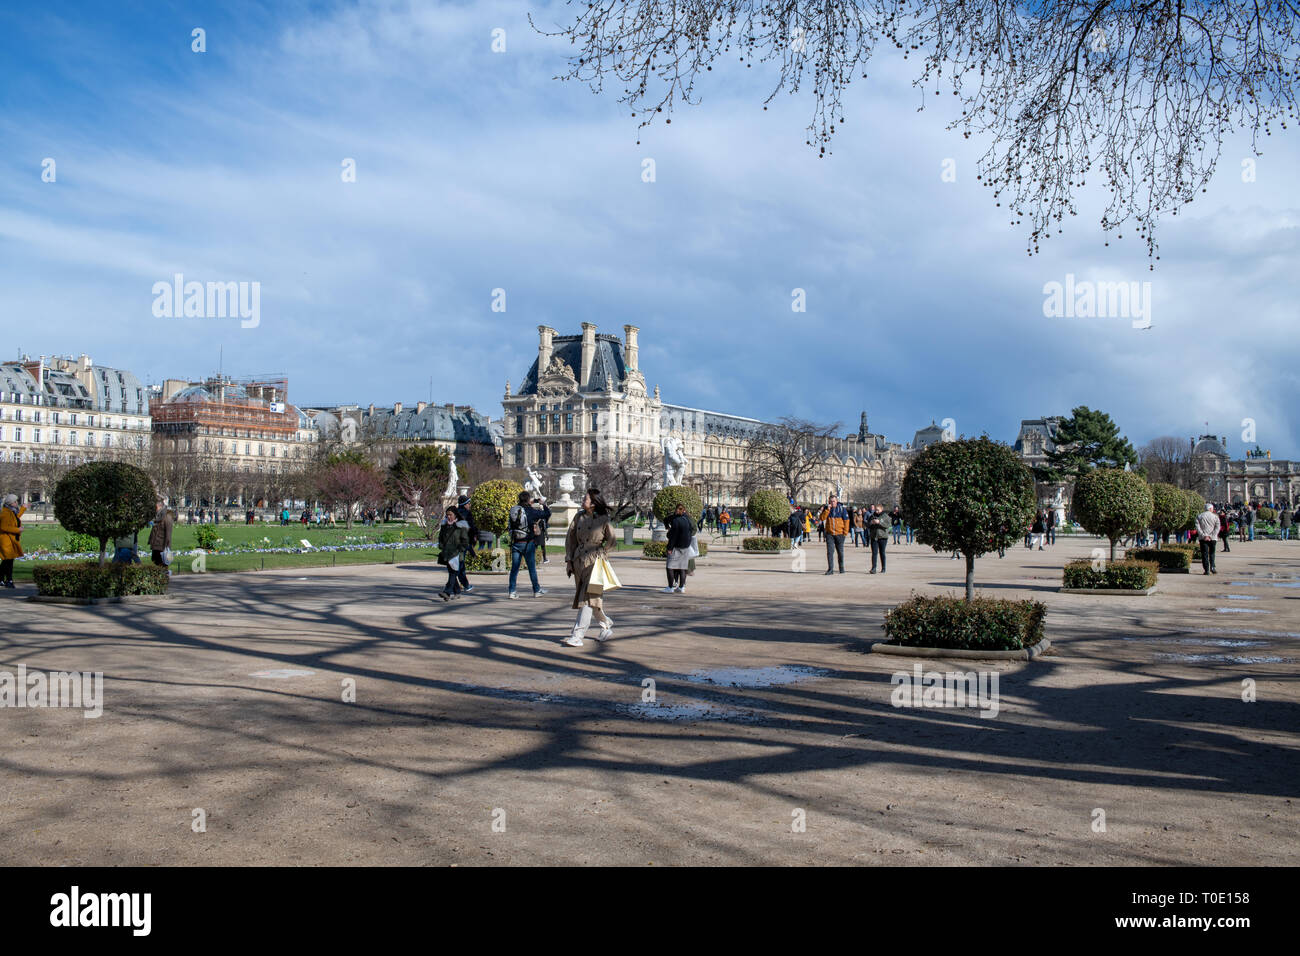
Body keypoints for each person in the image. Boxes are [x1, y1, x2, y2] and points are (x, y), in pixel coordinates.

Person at [563, 488, 616, 647]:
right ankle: (605, 624)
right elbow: (570, 539)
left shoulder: (603, 519)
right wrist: (569, 560)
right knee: (590, 598)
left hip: (595, 561)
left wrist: (603, 553)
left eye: (585, 498)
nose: (583, 500)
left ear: (593, 503)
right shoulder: (579, 516)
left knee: (586, 598)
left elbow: (612, 539)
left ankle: (577, 635)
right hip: (579, 560)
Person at [507, 491, 551, 599]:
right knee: (532, 569)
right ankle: (536, 590)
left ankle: (512, 591)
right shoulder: (530, 511)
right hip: (528, 543)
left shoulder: (514, 510)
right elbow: (547, 514)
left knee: (514, 569)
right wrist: (542, 504)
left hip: (516, 542)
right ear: (527, 500)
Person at [436, 506, 471, 601]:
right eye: (447, 515)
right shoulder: (445, 525)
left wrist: (460, 549)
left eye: (450, 515)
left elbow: (465, 541)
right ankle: (457, 592)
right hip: (447, 553)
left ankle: (447, 592)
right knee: (452, 574)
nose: (448, 517)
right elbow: (441, 537)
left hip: (456, 554)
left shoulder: (461, 526)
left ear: (455, 515)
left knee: (452, 573)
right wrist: (441, 546)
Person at [663, 501, 695, 593]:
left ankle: (670, 587)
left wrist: (669, 548)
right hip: (685, 546)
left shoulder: (676, 521)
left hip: (676, 546)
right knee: (682, 567)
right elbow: (691, 531)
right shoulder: (687, 520)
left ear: (676, 510)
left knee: (670, 566)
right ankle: (682, 587)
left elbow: (673, 537)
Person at [819, 494, 850, 575]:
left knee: (840, 552)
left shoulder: (842, 509)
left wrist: (845, 533)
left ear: (837, 501)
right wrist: (827, 510)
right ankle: (830, 569)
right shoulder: (827, 509)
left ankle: (841, 567)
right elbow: (822, 518)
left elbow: (846, 521)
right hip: (830, 534)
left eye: (834, 501)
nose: (832, 503)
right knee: (830, 552)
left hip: (840, 534)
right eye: (831, 501)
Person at [0, 494, 25, 588]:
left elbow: (16, 517)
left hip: (10, 540)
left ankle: (2, 579)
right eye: (15, 502)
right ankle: (9, 580)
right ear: (11, 503)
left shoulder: (10, 511)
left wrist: (23, 508)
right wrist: (17, 530)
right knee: (8, 561)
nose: (16, 503)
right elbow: (3, 527)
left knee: (7, 561)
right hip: (6, 540)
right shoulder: (5, 513)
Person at [148, 497, 175, 571]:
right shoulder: (158, 516)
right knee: (155, 561)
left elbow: (168, 533)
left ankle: (164, 578)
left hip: (162, 545)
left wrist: (168, 547)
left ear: (158, 506)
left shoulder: (167, 517)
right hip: (156, 544)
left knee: (162, 564)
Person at [1195, 502, 1220, 575]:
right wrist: (1211, 536)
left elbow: (1198, 528)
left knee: (1204, 554)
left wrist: (1204, 536)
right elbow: (1217, 528)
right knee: (1212, 553)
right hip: (1213, 538)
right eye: (1212, 508)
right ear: (1210, 509)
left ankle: (1206, 570)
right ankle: (1212, 567)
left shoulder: (1199, 516)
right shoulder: (1215, 517)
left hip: (1203, 538)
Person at [867, 503, 889, 573]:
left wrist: (879, 522)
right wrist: (871, 523)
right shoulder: (872, 516)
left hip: (883, 537)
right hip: (874, 537)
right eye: (875, 510)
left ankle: (883, 568)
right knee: (874, 553)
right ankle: (873, 568)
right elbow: (868, 524)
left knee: (882, 552)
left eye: (878, 510)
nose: (876, 511)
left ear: (881, 509)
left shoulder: (885, 516)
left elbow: (888, 525)